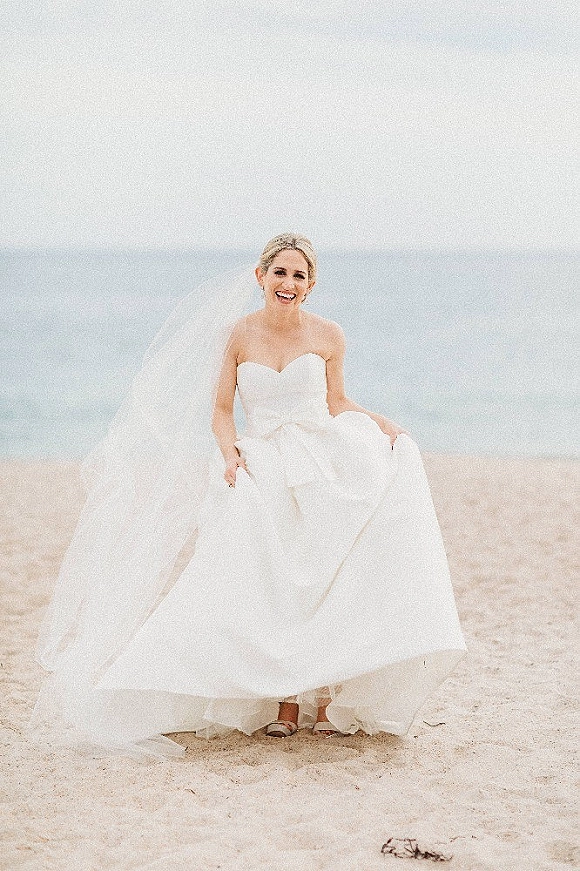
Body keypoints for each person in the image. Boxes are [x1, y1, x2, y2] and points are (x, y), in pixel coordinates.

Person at [32, 233, 466, 758]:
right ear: (261, 276)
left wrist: (384, 426)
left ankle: (325, 700)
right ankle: (285, 702)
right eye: (280, 272)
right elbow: (221, 409)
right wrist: (230, 453)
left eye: (300, 275)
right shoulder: (237, 334)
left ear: (311, 285)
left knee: (325, 571)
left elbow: (336, 401)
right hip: (263, 459)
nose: (289, 283)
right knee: (276, 576)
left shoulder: (329, 334)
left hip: (324, 457)